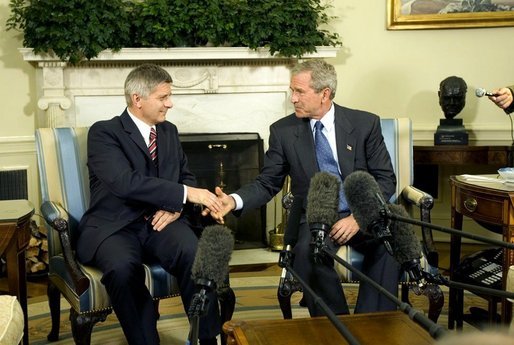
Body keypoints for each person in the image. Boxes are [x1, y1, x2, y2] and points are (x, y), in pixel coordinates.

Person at [208, 59, 400, 316]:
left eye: (299, 92)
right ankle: (337, 329)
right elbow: (267, 182)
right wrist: (233, 201)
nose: (293, 99)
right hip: (317, 217)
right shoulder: (283, 131)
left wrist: (358, 217)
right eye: (292, 91)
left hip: (361, 212)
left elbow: (385, 178)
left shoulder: (365, 124)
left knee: (389, 245)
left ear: (325, 94)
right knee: (308, 255)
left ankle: (371, 325)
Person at [76, 64, 223, 345]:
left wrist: (177, 207)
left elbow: (185, 177)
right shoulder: (104, 133)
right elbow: (125, 182)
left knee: (197, 254)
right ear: (137, 99)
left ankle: (207, 338)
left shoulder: (168, 131)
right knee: (121, 269)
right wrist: (185, 194)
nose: (170, 103)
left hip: (162, 222)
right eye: (163, 97)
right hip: (116, 226)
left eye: (170, 96)